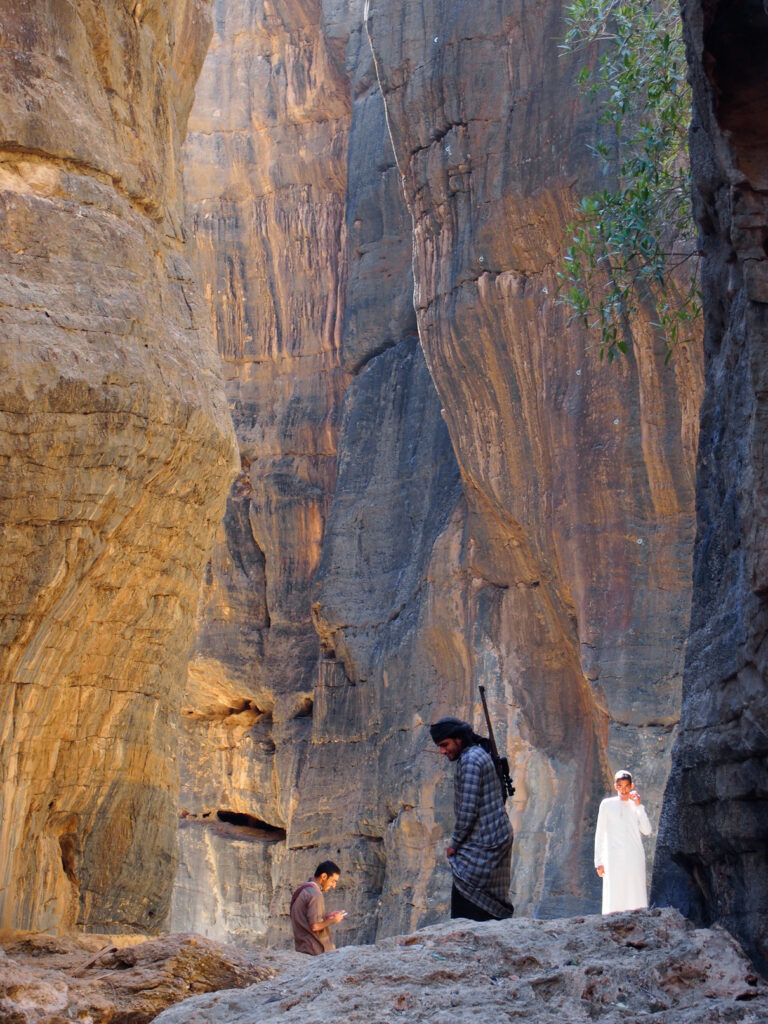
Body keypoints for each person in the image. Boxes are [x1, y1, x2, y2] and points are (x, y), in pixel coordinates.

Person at [430, 716, 514, 921]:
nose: (442, 751)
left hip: (485, 843)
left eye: (445, 745)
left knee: (466, 892)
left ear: (459, 739)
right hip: (493, 837)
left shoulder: (470, 761)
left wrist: (454, 844)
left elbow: (468, 809)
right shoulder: (476, 754)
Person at [594, 769, 652, 914]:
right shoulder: (606, 805)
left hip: (634, 856)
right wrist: (598, 861)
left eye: (627, 786)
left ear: (632, 786)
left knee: (635, 894)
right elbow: (600, 834)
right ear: (616, 786)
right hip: (613, 858)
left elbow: (647, 830)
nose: (624, 790)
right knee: (614, 894)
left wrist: (639, 806)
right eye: (620, 786)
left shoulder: (636, 806)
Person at [289, 860, 345, 954]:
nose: (334, 886)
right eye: (333, 881)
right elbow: (315, 926)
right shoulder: (315, 894)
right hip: (315, 949)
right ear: (324, 876)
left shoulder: (304, 889)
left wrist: (326, 917)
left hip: (303, 947)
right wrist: (333, 920)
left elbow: (306, 919)